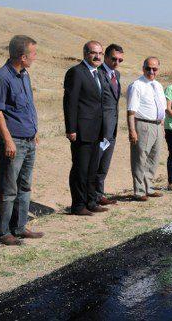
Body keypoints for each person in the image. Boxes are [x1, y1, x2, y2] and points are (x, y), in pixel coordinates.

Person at [0, 35, 44, 245]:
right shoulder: (1, 78)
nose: (35, 58)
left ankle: (18, 228)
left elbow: (27, 106)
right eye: (33, 54)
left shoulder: (24, 75)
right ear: (22, 56)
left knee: (24, 186)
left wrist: (34, 130)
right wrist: (8, 141)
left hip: (29, 140)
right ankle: (1, 233)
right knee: (8, 188)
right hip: (13, 142)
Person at [63, 41, 107, 216]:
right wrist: (71, 128)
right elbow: (70, 102)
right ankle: (78, 205)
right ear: (85, 53)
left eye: (100, 53)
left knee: (92, 169)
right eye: (93, 53)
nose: (97, 57)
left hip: (96, 130)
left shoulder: (98, 74)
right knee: (80, 169)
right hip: (81, 129)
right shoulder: (76, 72)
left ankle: (91, 201)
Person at [127, 57, 166, 201]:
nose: (151, 71)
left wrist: (162, 126)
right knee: (140, 158)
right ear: (143, 68)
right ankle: (139, 191)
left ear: (158, 70)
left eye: (154, 69)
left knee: (153, 159)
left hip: (157, 125)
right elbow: (131, 111)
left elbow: (161, 107)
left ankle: (149, 188)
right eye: (148, 68)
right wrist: (132, 130)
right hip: (143, 125)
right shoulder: (137, 85)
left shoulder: (158, 85)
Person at [94, 43, 124, 206]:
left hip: (112, 127)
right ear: (105, 57)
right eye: (113, 59)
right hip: (99, 128)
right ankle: (89, 196)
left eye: (120, 60)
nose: (117, 62)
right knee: (95, 162)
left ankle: (99, 194)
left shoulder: (116, 75)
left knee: (104, 164)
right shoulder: (97, 74)